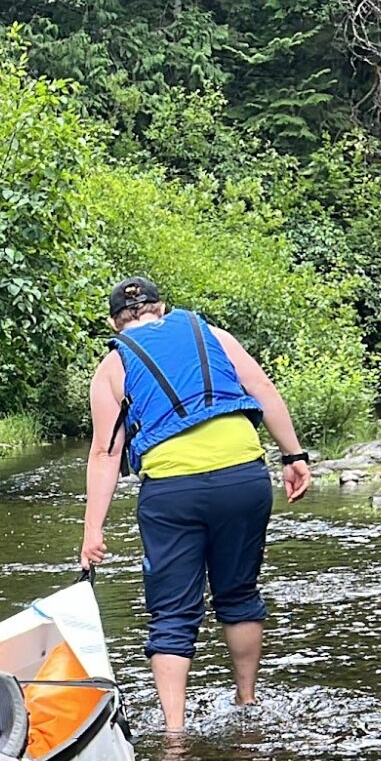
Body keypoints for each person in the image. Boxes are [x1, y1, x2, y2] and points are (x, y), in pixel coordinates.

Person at [78, 276, 310, 734]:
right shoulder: (213, 335)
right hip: (243, 478)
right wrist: (294, 455)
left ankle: (175, 731)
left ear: (114, 323)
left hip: (172, 492)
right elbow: (264, 391)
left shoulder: (112, 366)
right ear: (162, 309)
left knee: (172, 613)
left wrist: (93, 530)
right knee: (239, 593)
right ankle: (246, 703)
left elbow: (106, 453)